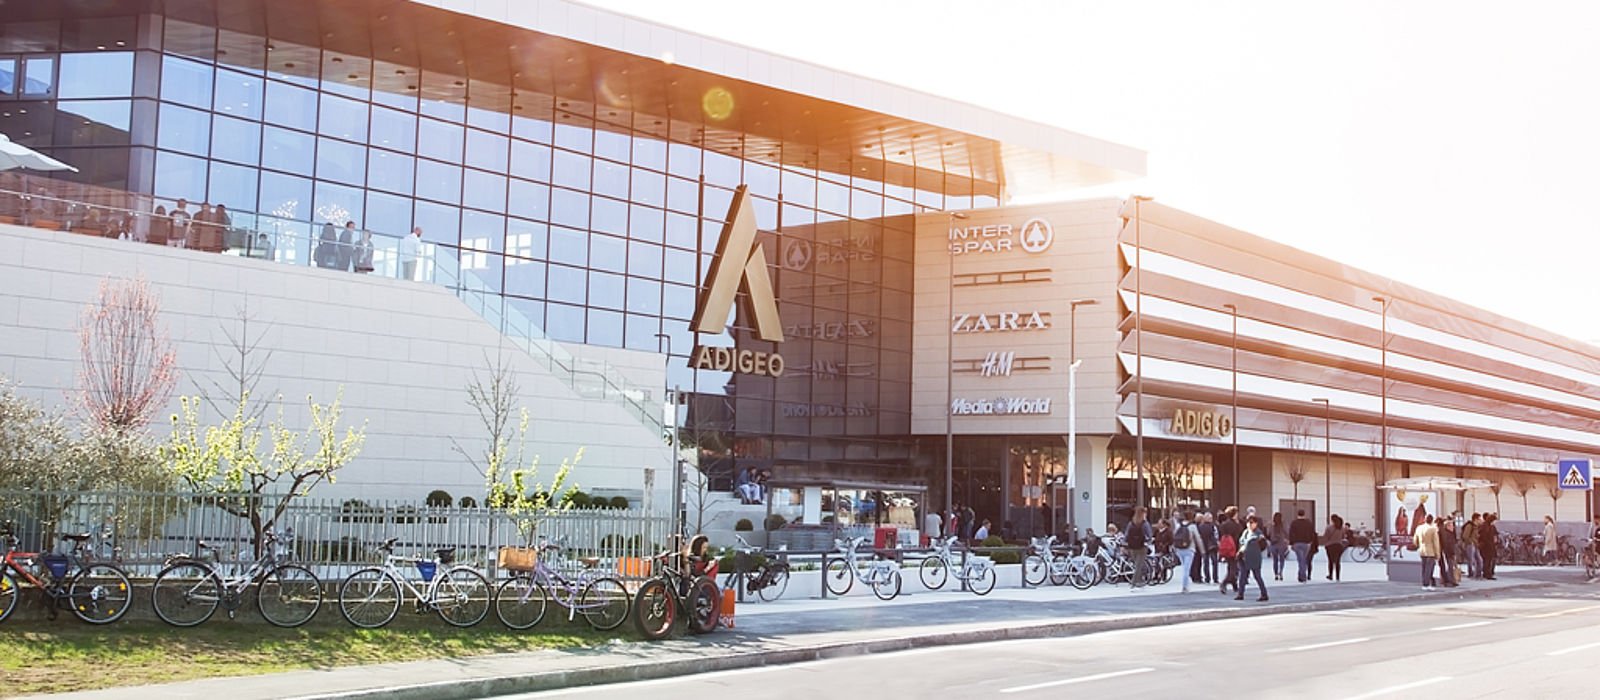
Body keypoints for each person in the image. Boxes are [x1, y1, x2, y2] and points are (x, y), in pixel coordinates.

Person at [1236, 515, 1269, 602]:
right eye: (1248, 522)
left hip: (1254, 558)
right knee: (1242, 576)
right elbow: (1241, 542)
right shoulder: (1246, 532)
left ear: (1256, 523)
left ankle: (1264, 594)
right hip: (1244, 557)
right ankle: (1240, 594)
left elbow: (1263, 545)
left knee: (1257, 576)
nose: (1249, 524)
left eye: (1252, 522)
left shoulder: (1258, 533)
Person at [1126, 507, 1152, 591]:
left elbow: (1126, 535)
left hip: (1132, 547)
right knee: (1139, 566)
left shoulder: (1131, 523)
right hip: (1142, 547)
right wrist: (1148, 542)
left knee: (1137, 565)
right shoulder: (1145, 524)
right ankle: (1133, 584)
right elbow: (1149, 536)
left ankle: (1140, 582)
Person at [1173, 511, 1199, 593]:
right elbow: (1198, 538)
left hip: (1179, 549)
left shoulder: (1178, 525)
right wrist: (1202, 550)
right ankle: (1185, 587)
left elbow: (1174, 536)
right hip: (1189, 548)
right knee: (1186, 569)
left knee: (1184, 567)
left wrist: (1174, 547)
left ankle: (1186, 585)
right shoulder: (1192, 526)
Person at [1289, 509, 1316, 583]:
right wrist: (1310, 542)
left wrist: (1291, 543)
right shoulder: (1309, 523)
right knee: (1303, 560)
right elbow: (1312, 533)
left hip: (1297, 543)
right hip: (1306, 544)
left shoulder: (1294, 523)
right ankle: (1301, 575)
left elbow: (1291, 533)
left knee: (1300, 560)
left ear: (1297, 514)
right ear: (1304, 514)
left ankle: (1302, 576)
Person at [1323, 514, 1348, 581]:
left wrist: (1326, 543)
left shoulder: (1329, 528)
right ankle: (1338, 576)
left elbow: (1326, 536)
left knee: (1330, 561)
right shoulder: (1342, 528)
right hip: (1339, 545)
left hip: (1330, 546)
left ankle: (1330, 575)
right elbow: (1343, 537)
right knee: (1337, 561)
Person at [1268, 512, 1291, 581]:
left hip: (1273, 544)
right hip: (1281, 543)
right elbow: (1287, 532)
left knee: (1275, 560)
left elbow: (1268, 533)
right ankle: (1280, 572)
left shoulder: (1271, 525)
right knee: (1281, 559)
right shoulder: (1283, 524)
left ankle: (1276, 574)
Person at [1198, 511, 1219, 584]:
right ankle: (1215, 578)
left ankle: (1207, 578)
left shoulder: (1200, 527)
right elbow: (1216, 536)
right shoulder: (1213, 526)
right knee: (1214, 562)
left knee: (1206, 563)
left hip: (1204, 546)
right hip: (1212, 546)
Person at [1438, 517, 1459, 587]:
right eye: (1452, 525)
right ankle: (1450, 581)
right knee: (1449, 567)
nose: (1453, 527)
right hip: (1448, 553)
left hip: (1448, 552)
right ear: (1448, 526)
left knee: (1450, 567)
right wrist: (1452, 552)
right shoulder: (1447, 534)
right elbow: (1447, 544)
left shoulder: (1449, 533)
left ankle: (1450, 580)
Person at [1479, 513, 1499, 580]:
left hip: (1489, 545)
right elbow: (1484, 536)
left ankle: (1488, 573)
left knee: (1489, 560)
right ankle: (1487, 573)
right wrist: (1489, 542)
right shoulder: (1486, 526)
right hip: (1487, 546)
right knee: (1487, 560)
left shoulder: (1490, 526)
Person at [1462, 513, 1482, 579]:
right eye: (1479, 519)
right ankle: (1471, 573)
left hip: (1475, 545)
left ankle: (1478, 574)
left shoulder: (1476, 527)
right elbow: (1465, 536)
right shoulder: (1470, 526)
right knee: (1471, 560)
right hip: (1470, 545)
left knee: (1479, 560)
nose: (1480, 520)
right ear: (1475, 519)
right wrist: (1471, 542)